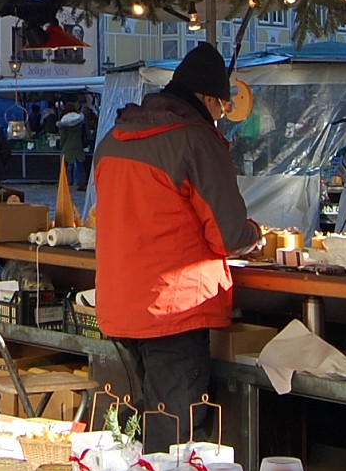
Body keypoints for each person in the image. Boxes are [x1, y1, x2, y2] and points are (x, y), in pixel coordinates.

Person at [95, 42, 259, 449]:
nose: (221, 116)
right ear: (206, 99)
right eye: (221, 106)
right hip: (174, 309)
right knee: (174, 437)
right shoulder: (197, 142)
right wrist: (257, 235)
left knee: (131, 433)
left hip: (119, 305)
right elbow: (229, 236)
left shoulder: (113, 140)